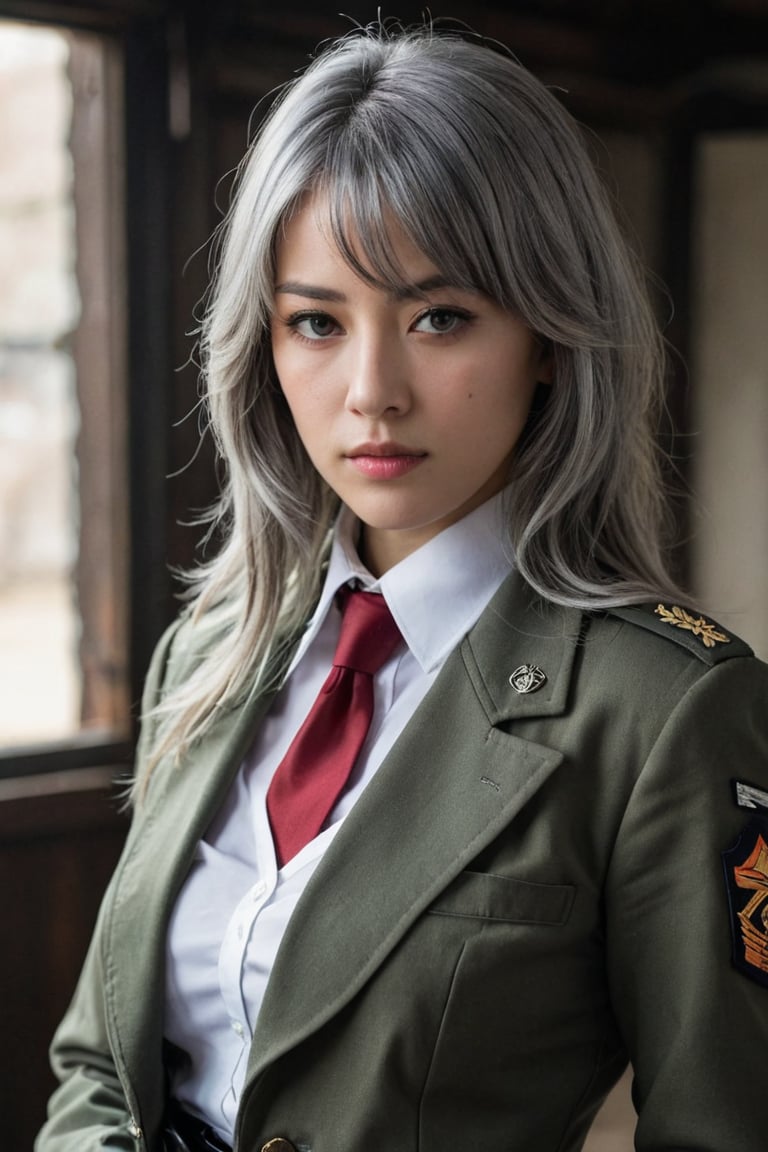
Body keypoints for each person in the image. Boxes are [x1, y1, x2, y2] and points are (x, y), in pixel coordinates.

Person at [37, 21, 768, 1152]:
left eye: (439, 317)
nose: (372, 391)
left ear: (549, 337)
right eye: (317, 322)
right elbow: (101, 1066)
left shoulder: (665, 711)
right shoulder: (214, 647)